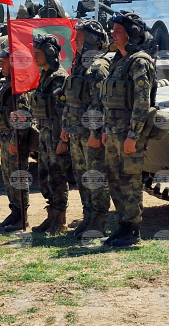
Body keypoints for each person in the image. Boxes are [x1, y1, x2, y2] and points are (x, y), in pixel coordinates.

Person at [100, 11, 155, 248]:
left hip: (127, 134)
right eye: (112, 30)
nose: (112, 34)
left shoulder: (139, 62)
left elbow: (142, 102)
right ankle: (122, 225)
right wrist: (105, 129)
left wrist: (133, 135)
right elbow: (108, 100)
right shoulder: (117, 61)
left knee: (130, 180)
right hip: (113, 132)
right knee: (114, 179)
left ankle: (133, 229)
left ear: (132, 34)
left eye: (118, 31)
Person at [60, 20, 111, 238]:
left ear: (92, 39)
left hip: (90, 135)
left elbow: (100, 104)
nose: (75, 40)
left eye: (79, 37)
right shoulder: (80, 65)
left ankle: (99, 221)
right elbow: (70, 100)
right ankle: (88, 215)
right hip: (76, 132)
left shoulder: (98, 67)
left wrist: (95, 133)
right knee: (82, 177)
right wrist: (65, 126)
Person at [29, 34, 70, 235]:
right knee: (44, 177)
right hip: (45, 133)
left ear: (49, 53)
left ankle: (59, 220)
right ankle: (51, 214)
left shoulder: (58, 78)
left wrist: (63, 139)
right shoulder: (45, 76)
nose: (34, 56)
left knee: (57, 177)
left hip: (55, 135)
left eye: (38, 53)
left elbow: (63, 111)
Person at [0, 48, 32, 232]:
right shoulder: (7, 84)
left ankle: (22, 217)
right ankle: (14, 211)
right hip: (6, 136)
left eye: (4, 61)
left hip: (15, 139)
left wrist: (16, 141)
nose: (1, 64)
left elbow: (23, 116)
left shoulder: (18, 86)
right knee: (8, 177)